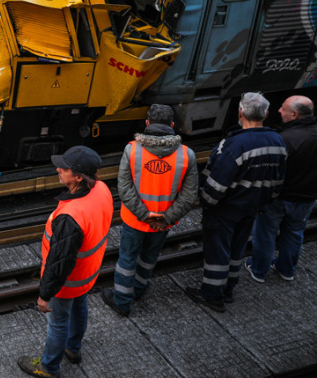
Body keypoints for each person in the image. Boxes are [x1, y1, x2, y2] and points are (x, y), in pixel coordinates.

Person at [185, 92, 286, 312]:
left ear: (240, 112)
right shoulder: (277, 141)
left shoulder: (234, 145)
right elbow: (278, 181)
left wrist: (207, 203)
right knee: (236, 249)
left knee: (217, 252)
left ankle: (212, 295)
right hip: (252, 207)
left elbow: (216, 185)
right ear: (266, 114)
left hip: (226, 209)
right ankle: (229, 289)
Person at [18, 146, 112, 378]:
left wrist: (45, 294)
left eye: (65, 168)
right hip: (87, 272)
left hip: (67, 281)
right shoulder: (101, 189)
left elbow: (59, 262)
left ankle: (48, 367)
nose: (58, 169)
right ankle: (73, 348)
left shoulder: (71, 217)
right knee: (80, 307)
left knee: (58, 322)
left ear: (79, 177)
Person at [101, 104, 198, 317]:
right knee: (149, 257)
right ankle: (139, 289)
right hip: (163, 223)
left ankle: (122, 302)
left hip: (135, 220)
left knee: (127, 260)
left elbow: (124, 188)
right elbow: (189, 195)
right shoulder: (186, 155)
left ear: (147, 123)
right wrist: (166, 218)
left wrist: (145, 215)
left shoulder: (132, 150)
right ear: (172, 125)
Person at [245, 95, 317, 282]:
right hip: (307, 199)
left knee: (265, 234)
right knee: (294, 234)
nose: (279, 111)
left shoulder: (283, 139)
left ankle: (259, 270)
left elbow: (270, 170)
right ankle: (287, 270)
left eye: (283, 108)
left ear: (294, 114)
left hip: (279, 197)